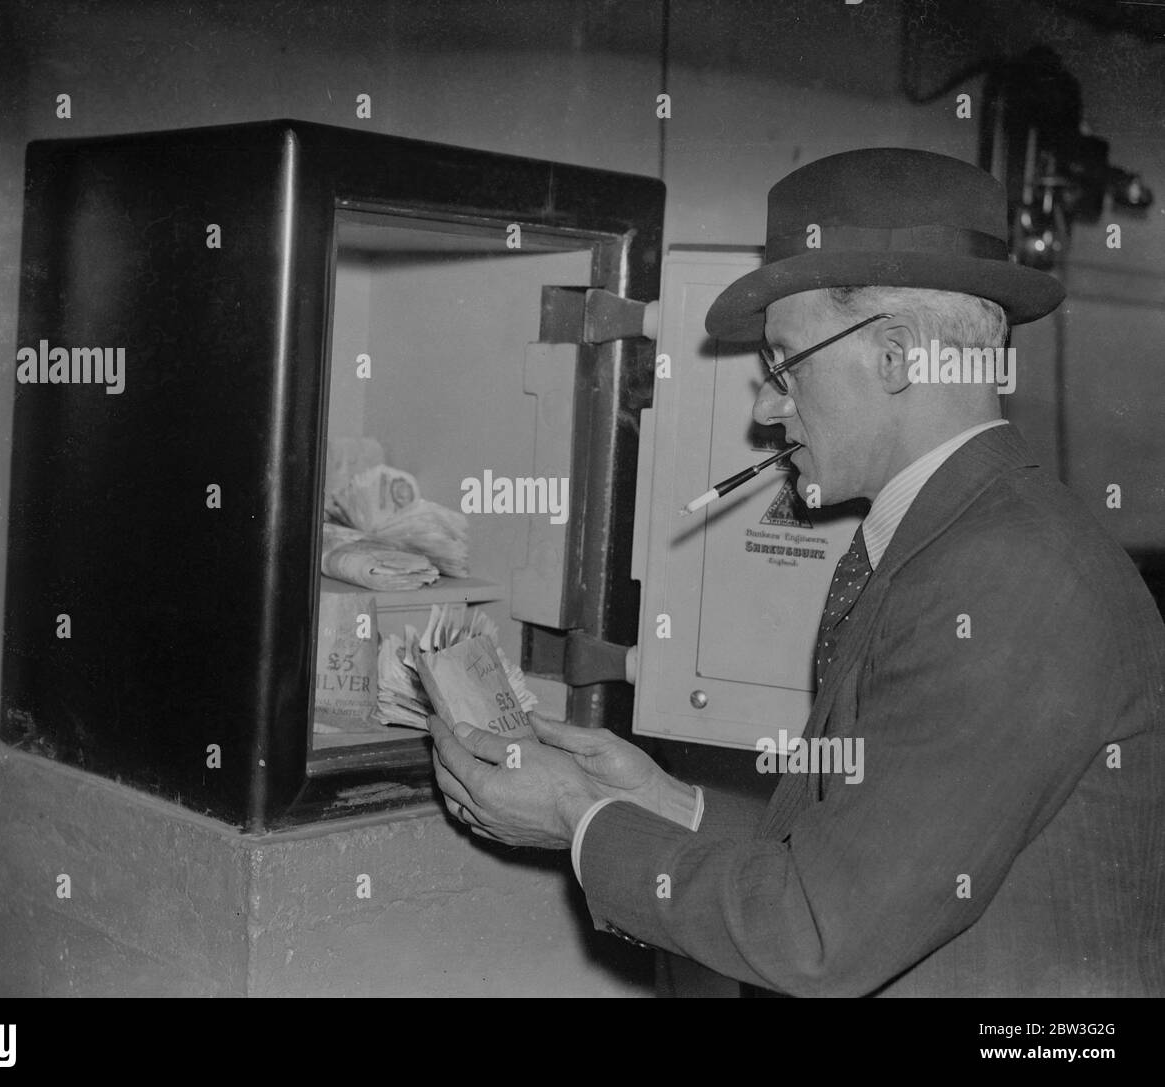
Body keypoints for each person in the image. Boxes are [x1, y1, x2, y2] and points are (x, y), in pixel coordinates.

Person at [428, 148, 1165, 997]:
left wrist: (574, 816)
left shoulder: (1008, 580)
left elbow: (817, 933)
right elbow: (871, 852)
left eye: (784, 363)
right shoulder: (959, 543)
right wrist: (665, 804)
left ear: (895, 357)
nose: (766, 407)